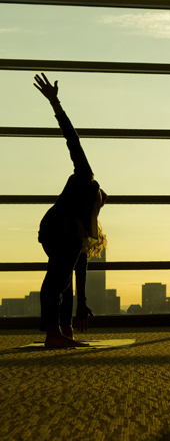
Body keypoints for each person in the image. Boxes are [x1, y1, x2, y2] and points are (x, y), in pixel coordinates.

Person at [35, 74, 108, 348]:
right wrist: (55, 104)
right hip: (57, 227)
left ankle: (63, 329)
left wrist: (82, 304)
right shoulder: (86, 179)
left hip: (49, 228)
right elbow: (72, 140)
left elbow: (81, 266)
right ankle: (53, 333)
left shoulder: (85, 225)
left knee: (62, 280)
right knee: (57, 281)